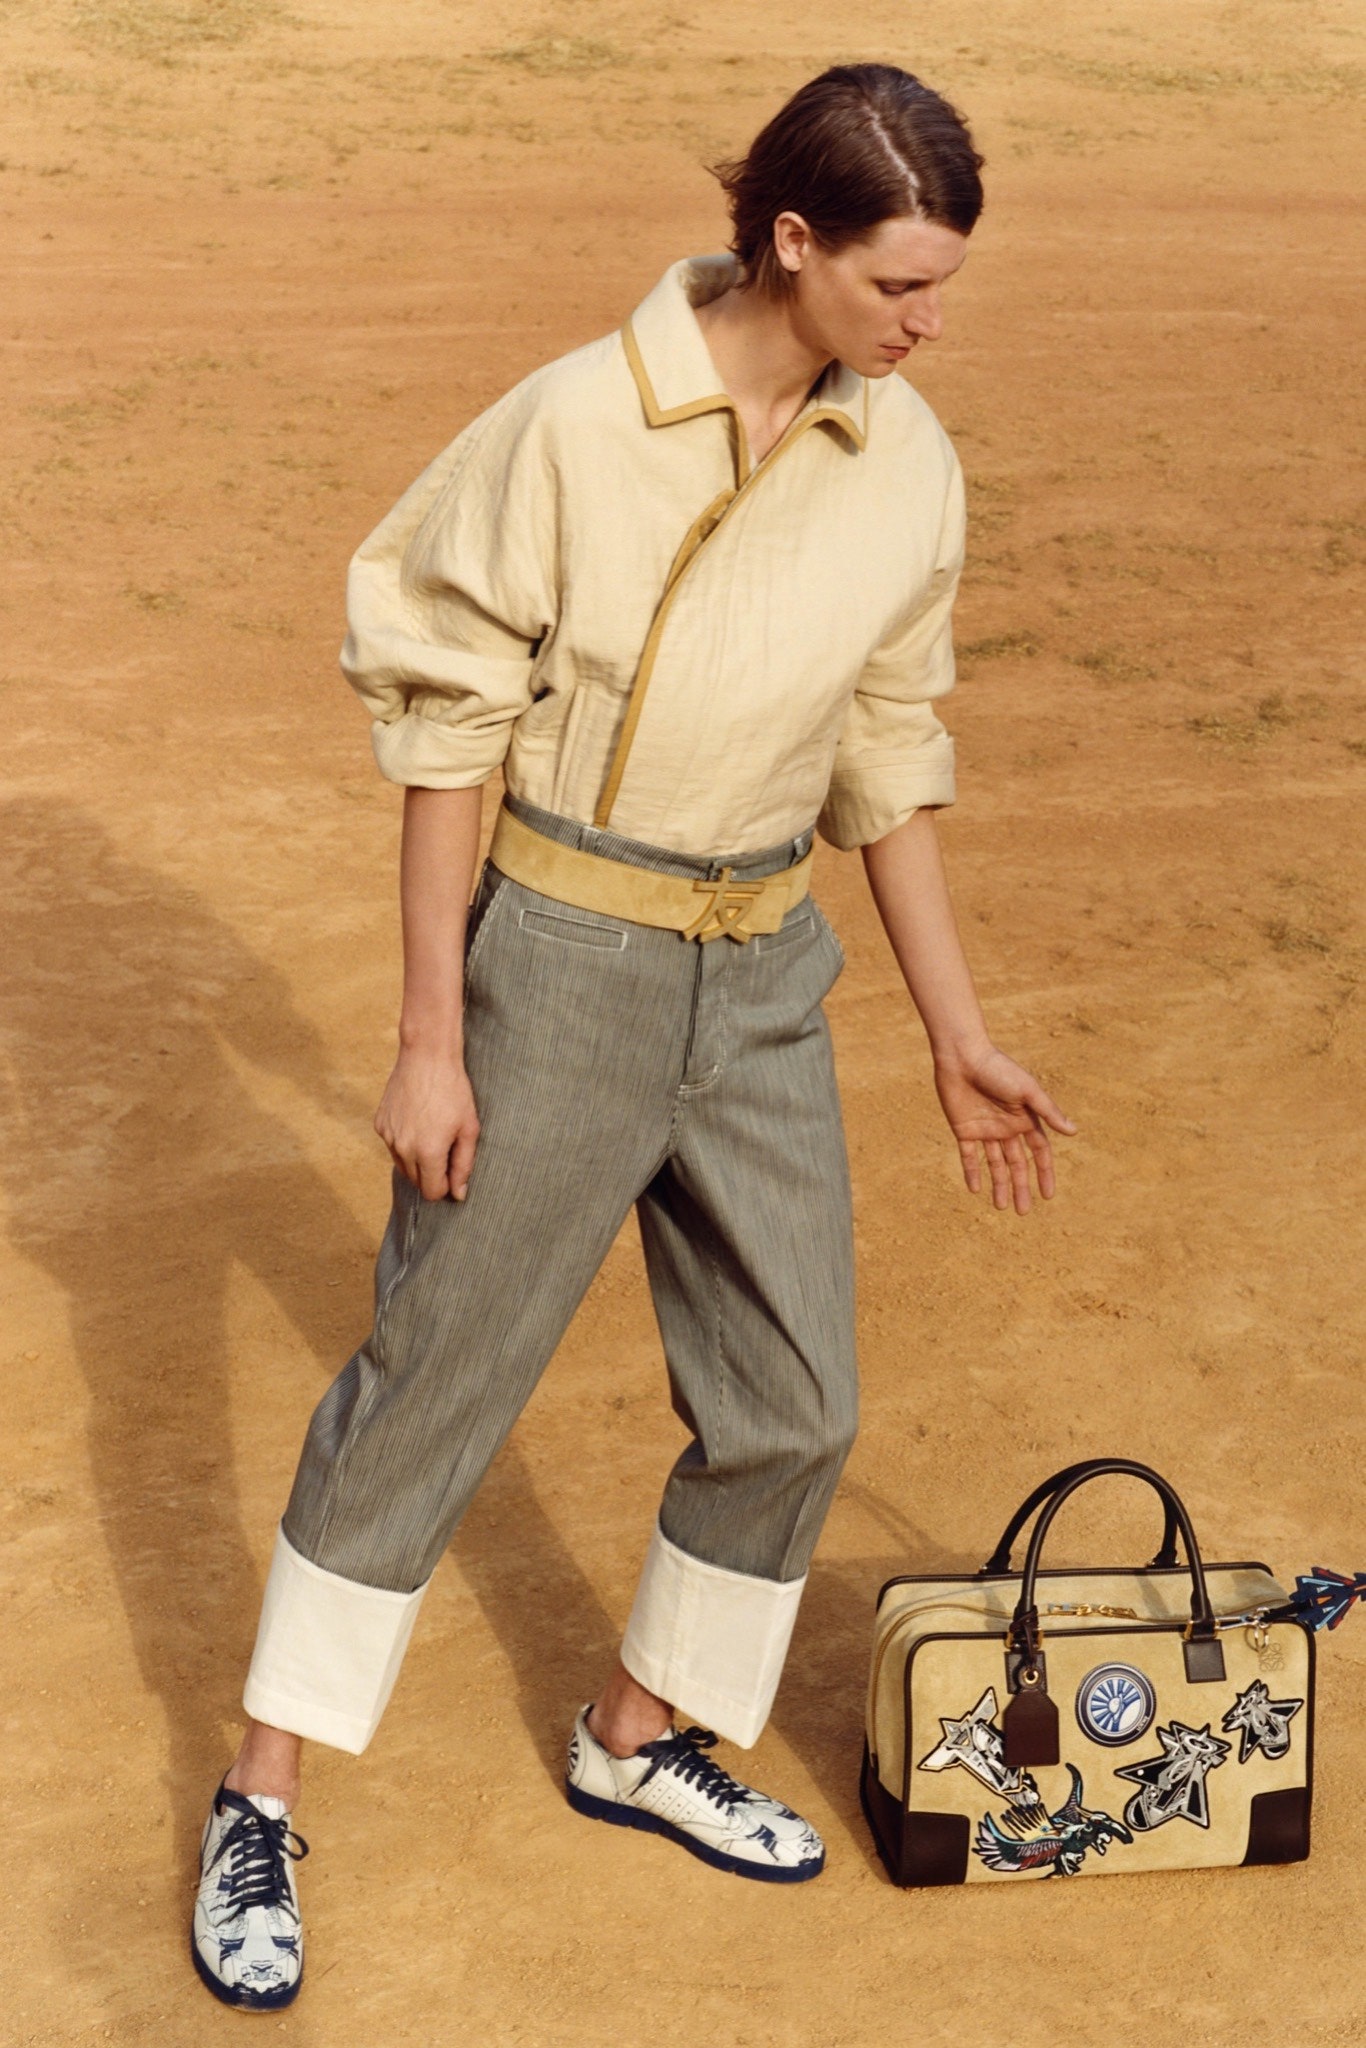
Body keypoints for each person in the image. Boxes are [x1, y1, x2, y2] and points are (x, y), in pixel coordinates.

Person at [191, 62, 1075, 2011]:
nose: (928, 325)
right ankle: (261, 1790)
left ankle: (636, 1727)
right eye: (898, 286)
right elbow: (447, 734)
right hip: (564, 953)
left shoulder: (899, 455)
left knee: (795, 1395)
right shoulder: (578, 425)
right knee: (432, 1377)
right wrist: (435, 1036)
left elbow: (883, 751)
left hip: (759, 969)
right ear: (789, 241)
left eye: (943, 286)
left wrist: (951, 1029)